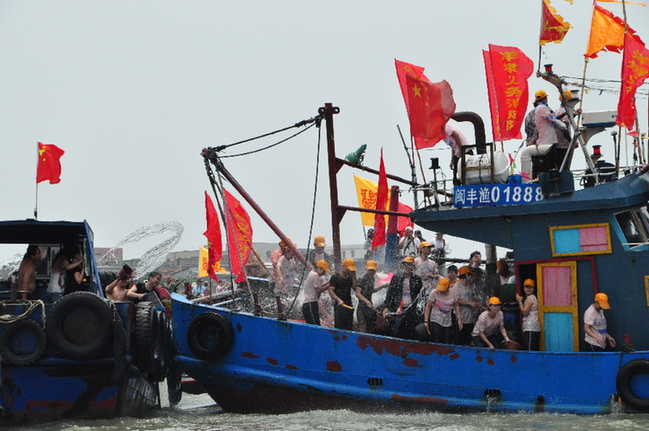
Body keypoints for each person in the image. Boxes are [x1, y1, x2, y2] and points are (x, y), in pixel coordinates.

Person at [383, 256, 423, 339]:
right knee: (396, 329)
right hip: (398, 307)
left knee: (410, 330)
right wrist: (386, 307)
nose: (407, 267)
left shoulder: (417, 279)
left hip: (411, 309)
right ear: (402, 266)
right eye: (405, 265)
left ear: (413, 267)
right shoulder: (396, 277)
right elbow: (390, 293)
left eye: (409, 265)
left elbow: (419, 295)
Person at [424, 277, 462, 344]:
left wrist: (459, 319)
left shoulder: (453, 293)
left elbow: (456, 305)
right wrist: (426, 321)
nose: (441, 290)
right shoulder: (434, 292)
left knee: (447, 340)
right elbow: (428, 307)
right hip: (436, 319)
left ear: (448, 287)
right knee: (437, 338)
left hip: (447, 321)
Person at [453, 265, 483, 345]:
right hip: (461, 315)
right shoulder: (457, 286)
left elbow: (472, 297)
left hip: (470, 315)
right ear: (466, 275)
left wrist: (476, 300)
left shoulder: (471, 285)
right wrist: (469, 303)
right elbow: (456, 301)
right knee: (460, 337)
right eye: (470, 275)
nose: (471, 277)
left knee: (469, 336)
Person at [355, 260, 387, 333]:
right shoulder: (362, 279)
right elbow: (358, 293)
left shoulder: (372, 279)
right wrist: (366, 301)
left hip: (369, 307)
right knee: (363, 329)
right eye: (370, 270)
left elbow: (371, 290)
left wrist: (382, 286)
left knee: (370, 328)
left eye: (373, 270)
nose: (371, 272)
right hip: (362, 308)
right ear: (366, 269)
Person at [328, 258, 357, 330]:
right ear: (343, 266)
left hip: (348, 304)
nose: (349, 271)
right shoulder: (335, 277)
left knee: (349, 326)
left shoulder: (349, 277)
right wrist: (338, 300)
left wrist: (354, 277)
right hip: (339, 305)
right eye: (348, 269)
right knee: (339, 326)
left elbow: (354, 288)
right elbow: (331, 290)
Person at [302, 260, 330, 325]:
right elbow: (319, 290)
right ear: (319, 268)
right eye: (324, 271)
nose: (324, 273)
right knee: (315, 325)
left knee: (313, 324)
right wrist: (328, 286)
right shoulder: (315, 275)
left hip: (308, 304)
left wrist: (328, 282)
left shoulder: (311, 273)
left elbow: (318, 285)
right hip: (310, 303)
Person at [516, 279, 541, 351]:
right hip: (530, 327)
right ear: (523, 288)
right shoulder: (529, 298)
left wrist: (520, 302)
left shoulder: (531, 297)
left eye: (531, 287)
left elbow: (524, 311)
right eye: (527, 287)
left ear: (533, 289)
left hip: (531, 327)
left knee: (530, 349)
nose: (528, 289)